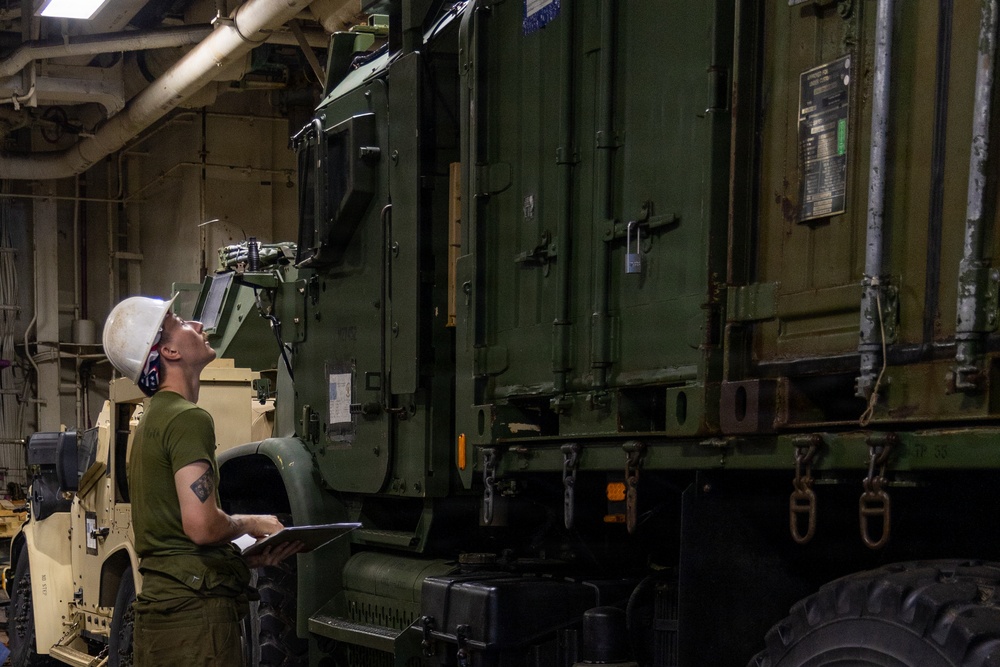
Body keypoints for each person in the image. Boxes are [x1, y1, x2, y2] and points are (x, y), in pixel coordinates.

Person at [102, 295, 302, 666]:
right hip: (196, 624)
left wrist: (240, 561)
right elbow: (201, 526)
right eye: (179, 322)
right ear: (169, 351)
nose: (197, 326)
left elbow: (174, 539)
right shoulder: (187, 419)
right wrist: (256, 523)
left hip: (161, 616)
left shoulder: (149, 423)